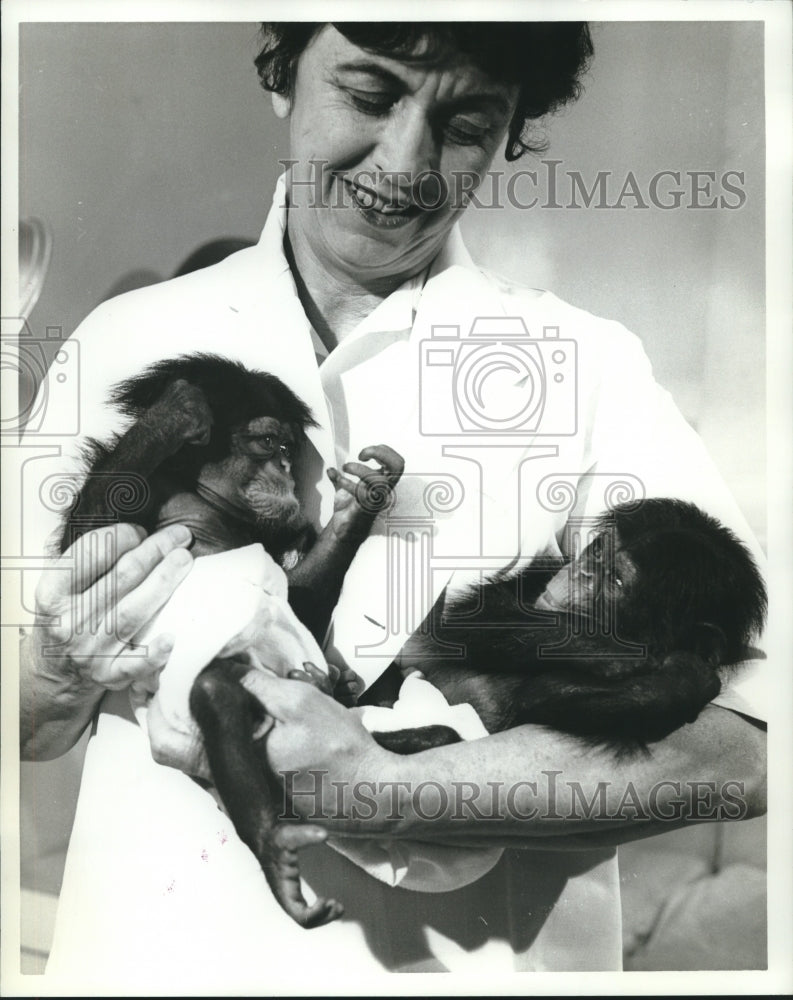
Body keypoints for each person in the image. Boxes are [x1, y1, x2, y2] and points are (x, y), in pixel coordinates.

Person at [20, 22, 766, 988]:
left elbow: (744, 754)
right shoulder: (132, 340)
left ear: (511, 132)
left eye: (464, 122)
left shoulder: (585, 365)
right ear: (282, 73)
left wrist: (389, 788)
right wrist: (52, 665)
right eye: (370, 95)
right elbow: (25, 725)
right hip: (158, 960)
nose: (407, 161)